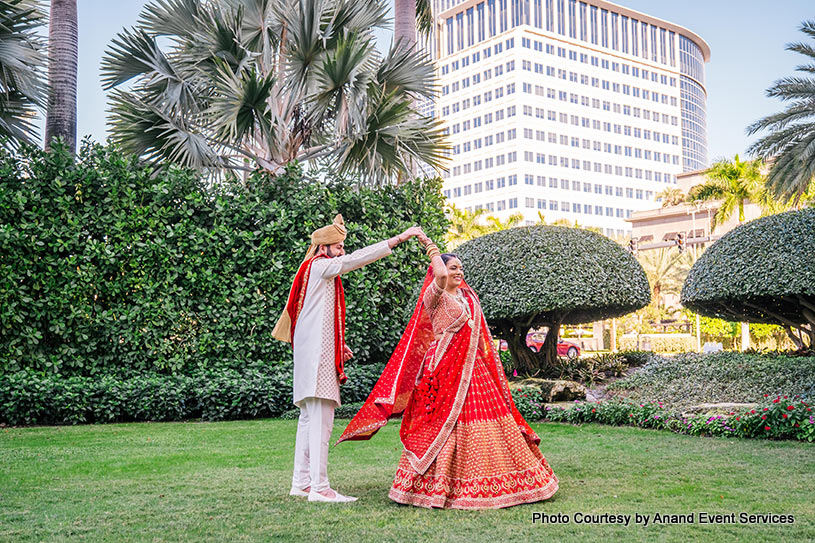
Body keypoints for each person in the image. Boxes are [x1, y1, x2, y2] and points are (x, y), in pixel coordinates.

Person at [336, 235, 559, 509]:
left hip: (473, 370)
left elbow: (479, 337)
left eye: (460, 268)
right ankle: (438, 485)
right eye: (453, 267)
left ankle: (495, 481)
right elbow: (440, 272)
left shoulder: (467, 297)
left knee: (489, 420)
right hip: (443, 368)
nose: (458, 272)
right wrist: (429, 245)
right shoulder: (435, 295)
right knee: (443, 423)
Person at [272, 214, 423, 503]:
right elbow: (355, 260)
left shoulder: (313, 272)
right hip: (316, 361)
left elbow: (312, 319)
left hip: (313, 356)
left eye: (342, 246)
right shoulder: (319, 266)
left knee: (308, 420)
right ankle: (320, 488)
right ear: (324, 248)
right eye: (338, 246)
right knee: (320, 421)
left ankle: (301, 483)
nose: (341, 251)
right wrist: (399, 239)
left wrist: (337, 346)